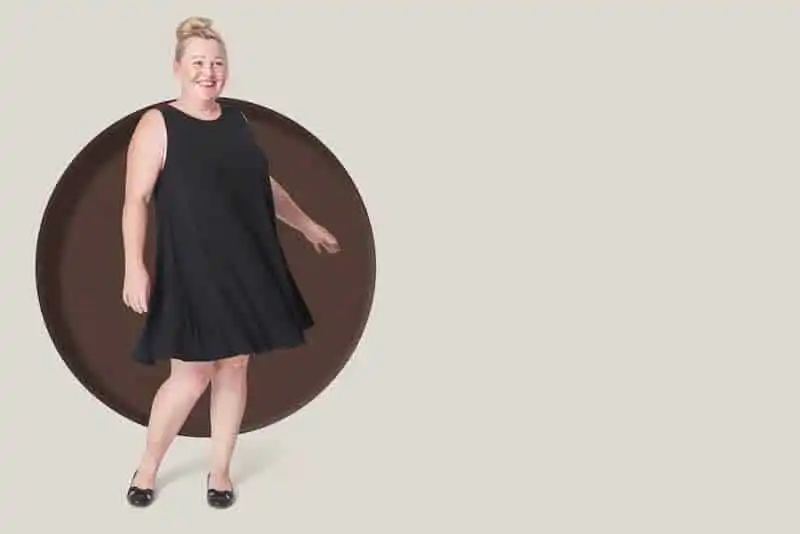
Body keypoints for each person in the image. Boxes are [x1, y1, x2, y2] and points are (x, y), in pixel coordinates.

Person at [120, 16, 340, 509]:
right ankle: (148, 467)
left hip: (247, 260)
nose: (209, 71)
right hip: (191, 267)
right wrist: (134, 266)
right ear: (177, 67)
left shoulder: (237, 122)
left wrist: (306, 224)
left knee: (235, 366)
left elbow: (264, 185)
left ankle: (220, 471)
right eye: (198, 61)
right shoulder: (157, 123)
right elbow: (136, 200)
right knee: (191, 374)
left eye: (217, 62)